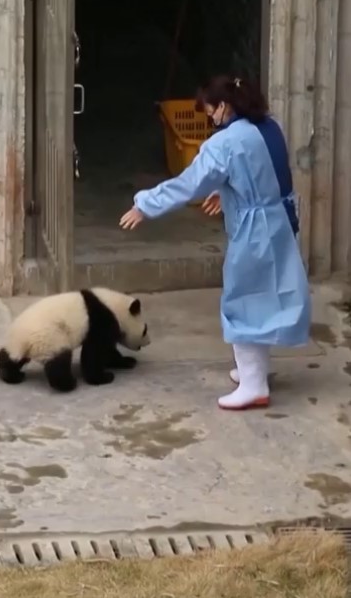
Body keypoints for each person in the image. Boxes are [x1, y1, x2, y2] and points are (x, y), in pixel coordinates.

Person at [119, 75, 311, 411]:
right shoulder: (269, 127)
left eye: (210, 111)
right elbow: (269, 173)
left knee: (243, 301)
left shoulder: (224, 143)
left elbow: (187, 185)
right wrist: (228, 192)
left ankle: (254, 386)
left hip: (254, 230)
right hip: (279, 219)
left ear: (224, 106)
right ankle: (256, 371)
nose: (210, 118)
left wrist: (144, 204)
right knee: (265, 297)